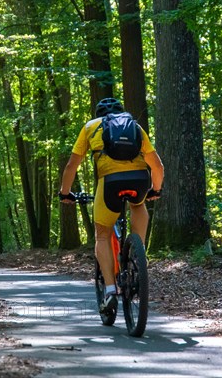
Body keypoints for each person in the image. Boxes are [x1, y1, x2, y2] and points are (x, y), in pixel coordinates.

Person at [58, 97, 164, 314]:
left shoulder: (90, 127)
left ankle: (109, 290)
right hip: (139, 179)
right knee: (138, 204)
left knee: (102, 235)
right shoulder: (134, 126)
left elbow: (71, 166)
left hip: (110, 183)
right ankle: (138, 255)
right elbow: (157, 164)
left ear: (99, 115)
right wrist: (156, 189)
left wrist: (65, 193)